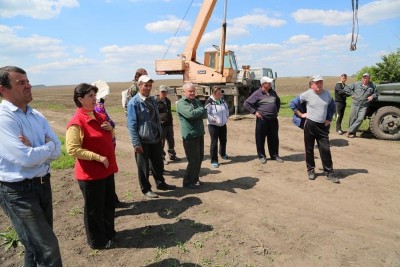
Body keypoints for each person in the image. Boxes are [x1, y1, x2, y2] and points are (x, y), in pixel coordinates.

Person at [0, 66, 63, 266]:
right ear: (3, 89)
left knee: (35, 247)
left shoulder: (37, 116)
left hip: (43, 185)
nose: (28, 86)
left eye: (27, 81)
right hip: (19, 192)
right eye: (21, 83)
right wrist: (46, 147)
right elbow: (24, 158)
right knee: (47, 248)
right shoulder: (5, 119)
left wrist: (38, 149)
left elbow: (58, 150)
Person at [66, 83, 118, 249]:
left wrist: (111, 129)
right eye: (90, 96)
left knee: (108, 204)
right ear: (80, 99)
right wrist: (97, 157)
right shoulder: (77, 122)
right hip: (91, 174)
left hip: (107, 170)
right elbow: (72, 149)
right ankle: (97, 241)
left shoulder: (99, 116)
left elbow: (110, 138)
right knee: (94, 210)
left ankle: (109, 233)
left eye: (94, 95)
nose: (95, 98)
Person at [126, 75, 176, 198]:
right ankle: (146, 189)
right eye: (145, 85)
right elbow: (132, 125)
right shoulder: (134, 103)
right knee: (143, 166)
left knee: (158, 163)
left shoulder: (153, 100)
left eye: (150, 85)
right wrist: (136, 143)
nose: (148, 88)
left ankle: (160, 183)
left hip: (156, 137)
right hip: (142, 140)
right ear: (139, 85)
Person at [293, 75, 339, 183]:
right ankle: (311, 170)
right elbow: (293, 103)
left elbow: (332, 107)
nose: (319, 85)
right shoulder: (307, 94)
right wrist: (301, 114)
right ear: (312, 84)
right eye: (317, 83)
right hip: (310, 125)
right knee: (309, 149)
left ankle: (329, 172)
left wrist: (329, 119)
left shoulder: (327, 94)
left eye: (321, 82)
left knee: (325, 149)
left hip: (322, 127)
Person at [243, 76, 283, 164]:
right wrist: (255, 112)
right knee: (260, 138)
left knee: (274, 138)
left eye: (270, 83)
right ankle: (262, 156)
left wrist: (276, 111)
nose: (270, 84)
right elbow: (246, 103)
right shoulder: (257, 93)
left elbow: (278, 101)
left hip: (273, 119)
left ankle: (274, 155)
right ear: (263, 84)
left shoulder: (273, 92)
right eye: (268, 83)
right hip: (262, 119)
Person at [176, 83, 207, 188]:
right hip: (190, 135)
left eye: (193, 91)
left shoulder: (196, 101)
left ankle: (195, 179)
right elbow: (190, 115)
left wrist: (199, 111)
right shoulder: (181, 103)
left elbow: (204, 114)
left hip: (199, 133)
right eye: (190, 91)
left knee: (199, 158)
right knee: (193, 160)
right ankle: (188, 182)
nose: (192, 93)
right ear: (184, 92)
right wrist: (201, 110)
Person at [344, 73, 377, 138]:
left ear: (369, 79)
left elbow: (376, 93)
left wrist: (372, 96)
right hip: (355, 104)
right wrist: (352, 94)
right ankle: (352, 133)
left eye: (367, 78)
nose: (365, 79)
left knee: (360, 119)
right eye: (364, 78)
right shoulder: (356, 84)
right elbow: (346, 88)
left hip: (364, 105)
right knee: (352, 118)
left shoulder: (372, 85)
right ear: (362, 78)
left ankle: (349, 130)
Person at [204, 86, 229, 168]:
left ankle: (222, 153)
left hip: (222, 124)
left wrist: (226, 116)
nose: (220, 94)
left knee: (223, 140)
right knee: (214, 142)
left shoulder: (222, 99)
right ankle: (214, 160)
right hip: (213, 125)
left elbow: (226, 108)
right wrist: (213, 120)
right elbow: (206, 113)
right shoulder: (209, 101)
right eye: (218, 93)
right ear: (213, 93)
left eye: (220, 92)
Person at [156, 85, 181, 165]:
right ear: (159, 92)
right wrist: (161, 120)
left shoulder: (168, 101)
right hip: (161, 125)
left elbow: (169, 112)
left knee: (171, 141)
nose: (163, 93)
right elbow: (155, 114)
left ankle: (172, 155)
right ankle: (162, 158)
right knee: (161, 142)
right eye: (162, 92)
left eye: (165, 92)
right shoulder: (156, 101)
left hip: (169, 124)